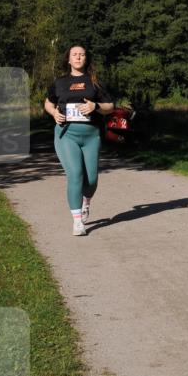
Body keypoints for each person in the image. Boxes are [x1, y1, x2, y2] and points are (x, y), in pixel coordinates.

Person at [44, 45, 114, 236]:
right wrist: (53, 113)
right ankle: (77, 222)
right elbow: (49, 102)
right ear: (68, 59)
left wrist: (96, 106)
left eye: (82, 54)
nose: (78, 57)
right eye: (74, 54)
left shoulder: (95, 82)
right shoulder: (60, 82)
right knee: (75, 174)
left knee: (91, 180)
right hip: (66, 134)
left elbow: (110, 106)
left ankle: (86, 202)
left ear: (86, 59)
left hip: (91, 135)